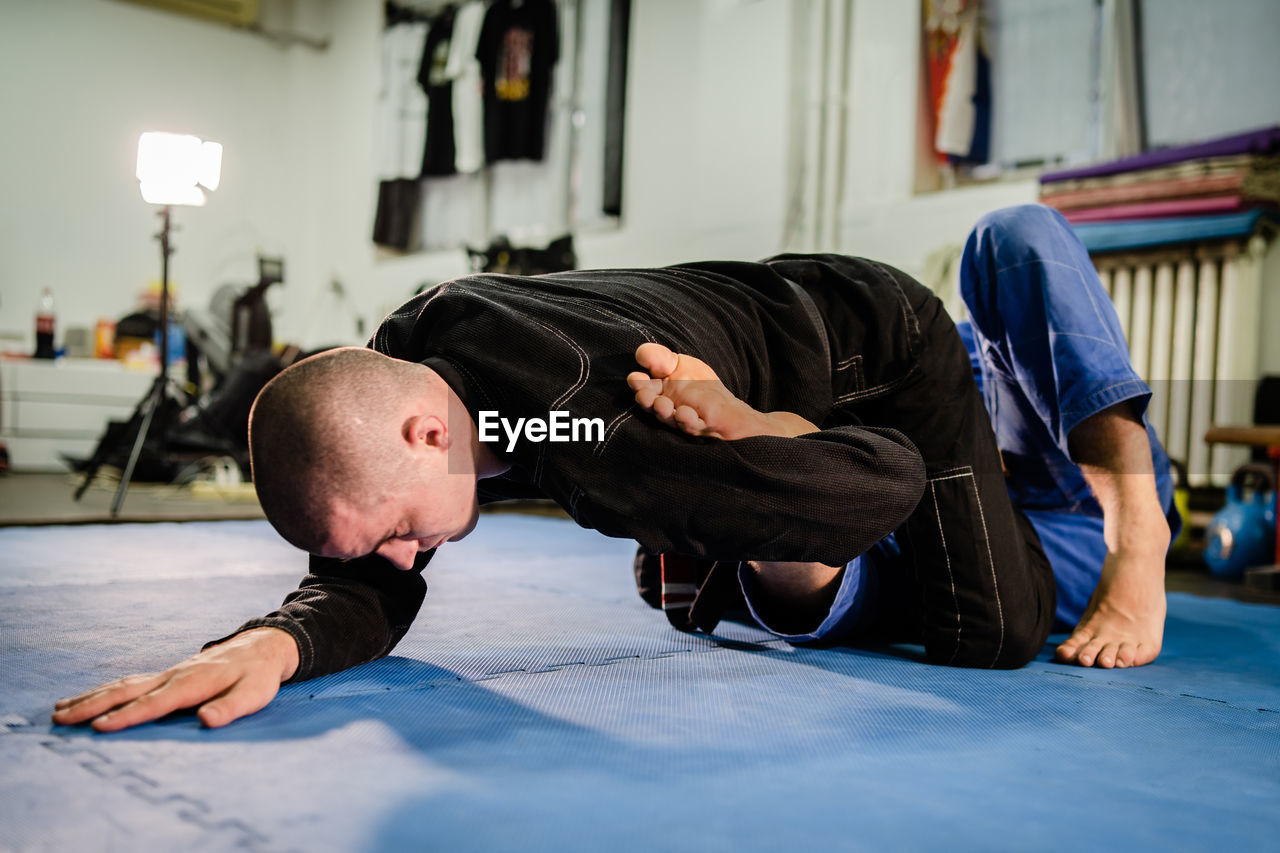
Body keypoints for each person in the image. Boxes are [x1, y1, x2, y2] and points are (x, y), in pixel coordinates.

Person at [52, 205, 1176, 733]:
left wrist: (743, 424)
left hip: (891, 362)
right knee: (733, 574)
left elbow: (881, 477)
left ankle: (1141, 529)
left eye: (394, 530)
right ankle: (766, 530)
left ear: (424, 438)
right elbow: (368, 564)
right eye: (382, 545)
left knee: (986, 633)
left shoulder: (597, 433)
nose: (403, 556)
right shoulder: (407, 359)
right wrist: (282, 635)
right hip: (821, 355)